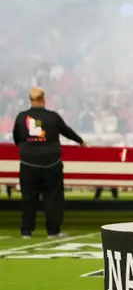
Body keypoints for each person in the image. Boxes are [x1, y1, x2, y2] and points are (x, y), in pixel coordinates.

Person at [12, 87, 86, 239]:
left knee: (28, 198)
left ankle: (26, 231)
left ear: (31, 100)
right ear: (44, 100)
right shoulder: (53, 117)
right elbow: (67, 131)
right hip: (51, 163)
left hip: (28, 163)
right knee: (53, 198)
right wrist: (81, 141)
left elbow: (16, 137)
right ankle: (53, 231)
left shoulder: (21, 117)